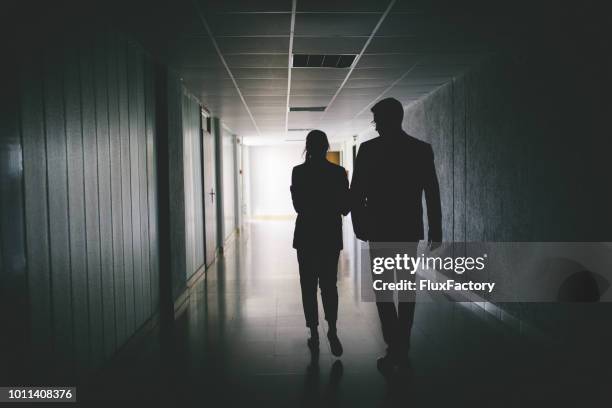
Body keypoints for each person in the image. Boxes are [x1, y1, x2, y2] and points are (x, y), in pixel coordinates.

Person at [350, 97, 442, 372]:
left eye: (377, 120)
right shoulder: (420, 150)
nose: (375, 126)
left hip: (379, 229)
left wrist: (359, 225)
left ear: (388, 119)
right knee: (406, 288)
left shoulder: (368, 150)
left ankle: (394, 344)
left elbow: (357, 194)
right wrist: (435, 230)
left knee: (383, 290)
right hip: (407, 228)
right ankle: (403, 341)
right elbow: (432, 193)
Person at [291, 130, 349, 357]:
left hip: (306, 236)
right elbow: (345, 208)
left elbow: (298, 206)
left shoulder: (298, 172)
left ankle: (314, 331)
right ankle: (332, 330)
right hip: (329, 236)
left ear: (308, 147)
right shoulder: (337, 173)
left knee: (308, 285)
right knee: (328, 285)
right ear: (326, 147)